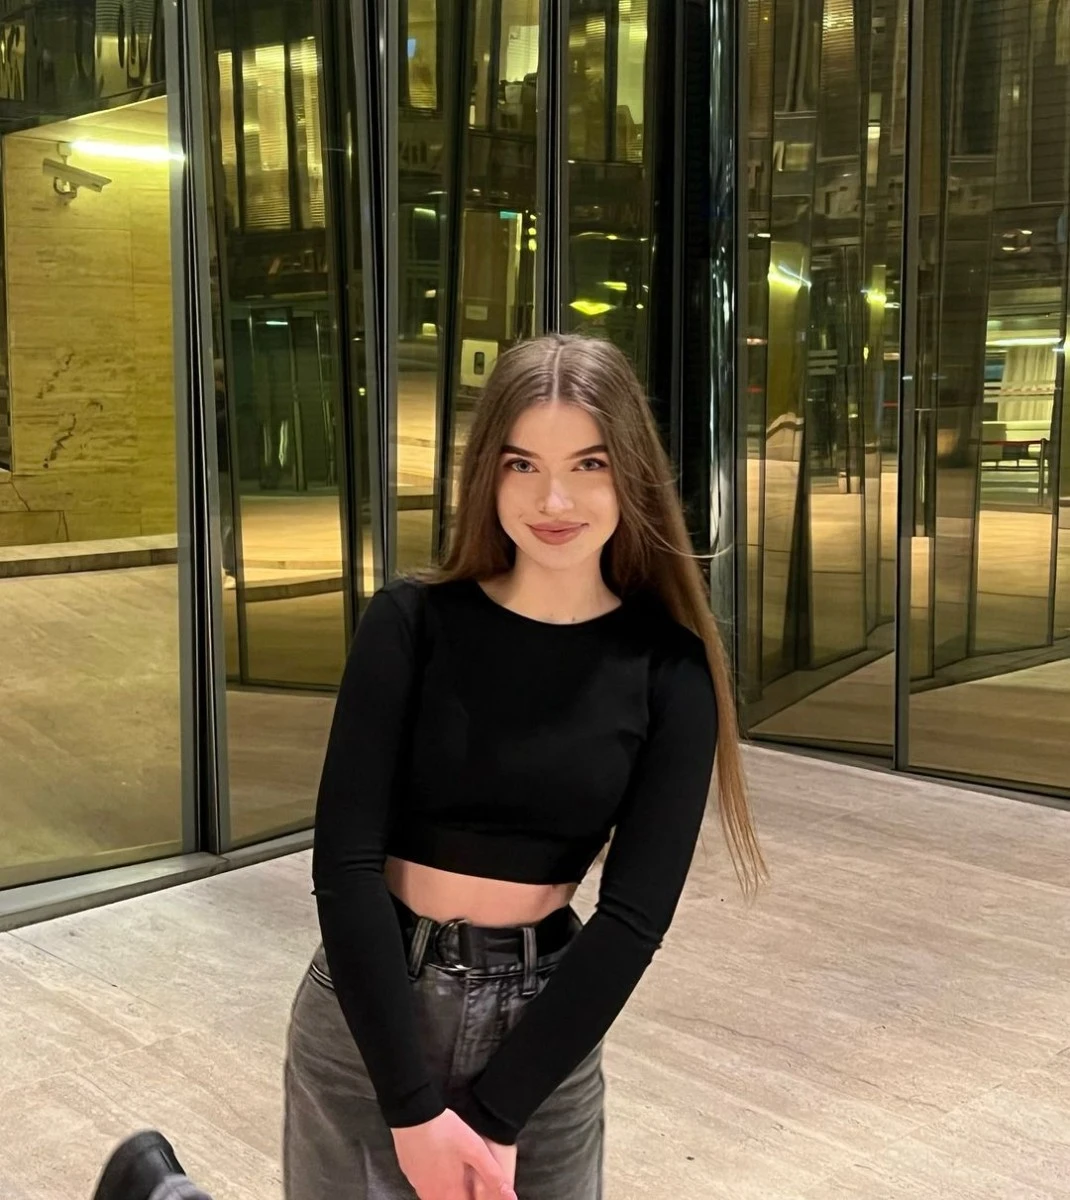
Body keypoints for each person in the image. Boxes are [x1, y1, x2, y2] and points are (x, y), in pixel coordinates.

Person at [285, 332, 765, 1200]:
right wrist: (411, 1110)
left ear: (631, 474)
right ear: (488, 474)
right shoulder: (410, 624)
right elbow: (345, 867)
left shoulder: (670, 673)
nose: (554, 499)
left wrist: (498, 1114)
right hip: (372, 1015)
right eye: (522, 464)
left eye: (588, 464)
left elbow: (633, 919)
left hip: (545, 1032)